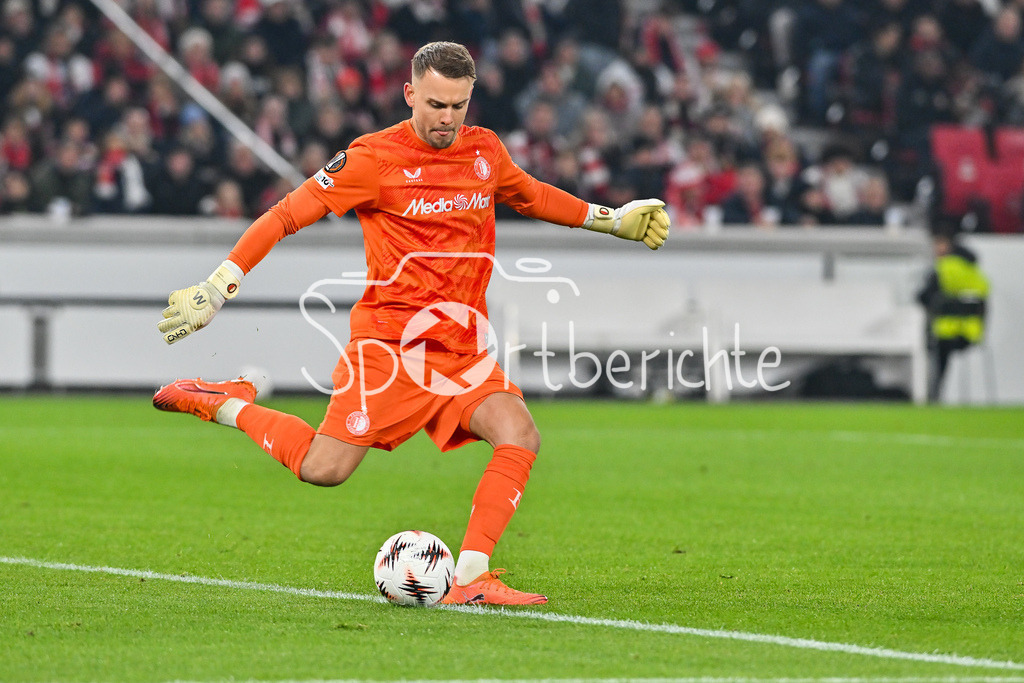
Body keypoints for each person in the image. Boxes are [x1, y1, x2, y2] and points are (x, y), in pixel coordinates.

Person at [152, 42, 669, 606]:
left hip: (461, 349)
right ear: (409, 94)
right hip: (389, 347)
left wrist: (611, 220)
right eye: (435, 105)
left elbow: (531, 195)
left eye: (458, 106)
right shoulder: (372, 158)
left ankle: (470, 577)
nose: (447, 118)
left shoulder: (484, 151)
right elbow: (285, 215)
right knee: (324, 469)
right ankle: (225, 402)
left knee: (520, 434)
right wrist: (218, 286)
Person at [916, 226, 989, 401]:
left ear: (947, 245)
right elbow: (983, 298)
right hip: (972, 332)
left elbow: (923, 297)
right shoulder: (973, 270)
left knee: (934, 353)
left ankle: (935, 394)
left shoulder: (942, 268)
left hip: (945, 332)